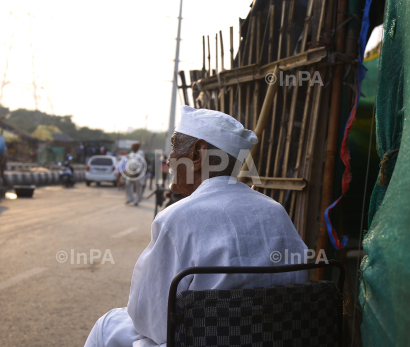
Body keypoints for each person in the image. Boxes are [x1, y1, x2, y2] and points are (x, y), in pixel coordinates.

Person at [84, 106, 308, 347]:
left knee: (107, 325)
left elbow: (151, 322)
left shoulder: (176, 218)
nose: (169, 159)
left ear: (197, 155)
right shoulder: (276, 211)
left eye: (174, 147)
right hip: (274, 339)